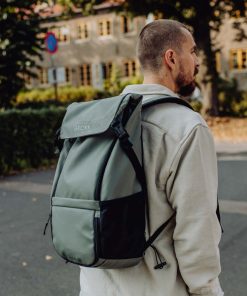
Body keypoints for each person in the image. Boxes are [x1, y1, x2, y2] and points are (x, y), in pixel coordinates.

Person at [79, 19, 223, 296]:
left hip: (95, 286)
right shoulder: (187, 126)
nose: (197, 61)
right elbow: (197, 228)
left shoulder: (104, 118)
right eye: (192, 51)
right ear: (171, 58)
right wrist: (207, 291)